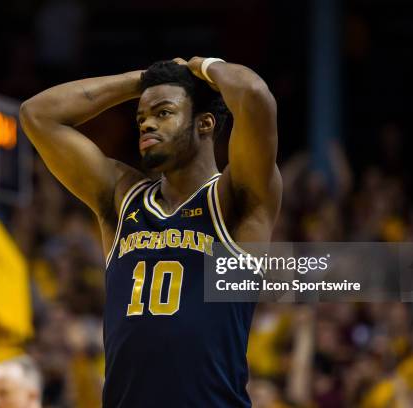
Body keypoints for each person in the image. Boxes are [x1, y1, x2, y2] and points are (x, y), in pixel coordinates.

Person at [21, 56, 281, 407]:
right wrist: (139, 80)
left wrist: (201, 66)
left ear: (204, 124)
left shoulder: (233, 199)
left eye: (163, 113)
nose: (146, 125)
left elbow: (252, 93)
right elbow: (36, 114)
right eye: (141, 117)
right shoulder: (122, 197)